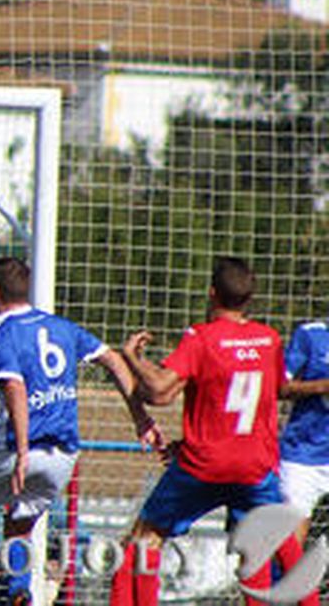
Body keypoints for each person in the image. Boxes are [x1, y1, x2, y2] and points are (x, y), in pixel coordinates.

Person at [0, 257, 162, 606]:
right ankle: (19, 593)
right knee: (20, 529)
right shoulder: (62, 327)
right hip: (63, 455)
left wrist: (23, 451)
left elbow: (15, 389)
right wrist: (140, 418)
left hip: (14, 450)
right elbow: (114, 360)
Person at [110, 257, 310, 605]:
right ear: (249, 298)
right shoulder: (269, 339)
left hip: (204, 464)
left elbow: (159, 391)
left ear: (211, 293)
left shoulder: (201, 338)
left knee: (143, 541)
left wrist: (132, 357)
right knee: (277, 544)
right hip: (254, 466)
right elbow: (273, 389)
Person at [278, 314, 329, 549]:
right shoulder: (311, 334)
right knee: (288, 543)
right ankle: (282, 583)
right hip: (303, 455)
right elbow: (280, 386)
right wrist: (321, 387)